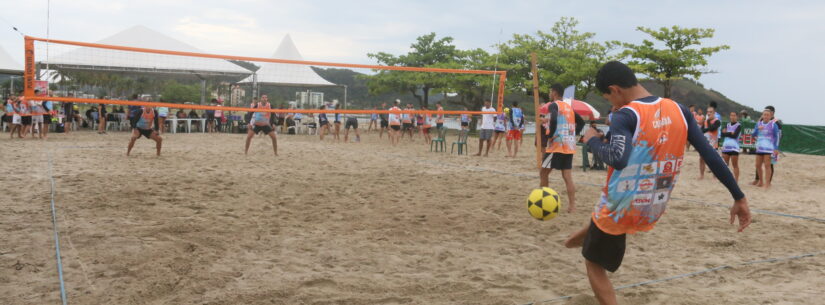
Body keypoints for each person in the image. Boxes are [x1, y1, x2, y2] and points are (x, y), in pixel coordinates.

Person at [563, 61, 750, 305]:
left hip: (623, 204)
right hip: (654, 204)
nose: (611, 104)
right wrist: (739, 196)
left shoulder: (626, 114)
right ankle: (581, 235)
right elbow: (710, 154)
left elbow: (617, 159)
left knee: (594, 263)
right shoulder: (679, 110)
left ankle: (587, 241)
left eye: (608, 97)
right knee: (602, 216)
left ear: (615, 89)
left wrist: (591, 141)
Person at [541, 84, 585, 212]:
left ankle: (544, 202)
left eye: (550, 91)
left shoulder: (554, 105)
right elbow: (581, 122)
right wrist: (573, 133)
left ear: (554, 92)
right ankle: (572, 206)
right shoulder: (568, 107)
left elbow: (554, 119)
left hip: (557, 146)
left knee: (543, 173)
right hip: (569, 145)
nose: (549, 94)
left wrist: (550, 135)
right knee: (567, 176)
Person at [752, 106, 781, 185]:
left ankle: (767, 183)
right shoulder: (758, 124)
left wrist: (776, 148)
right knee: (757, 165)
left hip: (769, 148)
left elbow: (777, 136)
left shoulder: (773, 125)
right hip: (759, 147)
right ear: (762, 115)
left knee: (767, 165)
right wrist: (758, 129)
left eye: (767, 115)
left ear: (771, 116)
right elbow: (753, 134)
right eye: (764, 115)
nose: (765, 116)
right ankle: (761, 182)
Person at [698, 106, 721, 180]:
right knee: (701, 159)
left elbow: (712, 128)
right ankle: (702, 175)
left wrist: (707, 123)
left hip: (714, 143)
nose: (708, 113)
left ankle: (715, 175)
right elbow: (701, 131)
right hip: (705, 142)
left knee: (713, 160)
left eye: (710, 112)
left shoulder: (717, 121)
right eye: (708, 112)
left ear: (714, 113)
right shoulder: (705, 121)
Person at [720, 112, 742, 181]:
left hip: (734, 147)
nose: (732, 117)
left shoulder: (738, 125)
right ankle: (726, 179)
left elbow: (734, 135)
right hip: (726, 146)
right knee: (725, 165)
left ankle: (736, 180)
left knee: (735, 165)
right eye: (731, 115)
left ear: (737, 117)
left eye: (734, 115)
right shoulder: (727, 124)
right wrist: (730, 133)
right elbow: (722, 134)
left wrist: (726, 133)